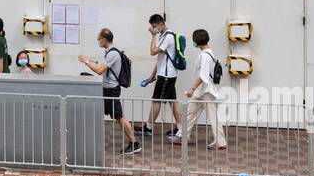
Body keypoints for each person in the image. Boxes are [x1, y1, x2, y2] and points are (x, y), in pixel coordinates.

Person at [78, 28, 140, 154]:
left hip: (111, 90)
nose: (98, 41)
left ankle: (134, 143)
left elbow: (100, 70)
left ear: (104, 40)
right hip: (107, 89)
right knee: (107, 114)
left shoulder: (112, 53)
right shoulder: (109, 52)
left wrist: (86, 61)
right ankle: (92, 140)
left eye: (99, 39)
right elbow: (104, 69)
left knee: (120, 117)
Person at [143, 13, 185, 143]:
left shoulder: (167, 37)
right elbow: (160, 58)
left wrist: (153, 36)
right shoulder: (164, 36)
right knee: (173, 101)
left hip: (166, 76)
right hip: (166, 74)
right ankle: (180, 127)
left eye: (155, 26)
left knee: (156, 100)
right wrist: (152, 75)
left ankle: (149, 127)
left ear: (161, 24)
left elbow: (152, 52)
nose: (153, 29)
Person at [183, 28, 227, 149]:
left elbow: (202, 75)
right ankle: (182, 135)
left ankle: (221, 142)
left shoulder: (205, 55)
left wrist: (191, 89)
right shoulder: (208, 53)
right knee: (189, 112)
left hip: (206, 91)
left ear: (196, 41)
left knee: (212, 117)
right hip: (202, 91)